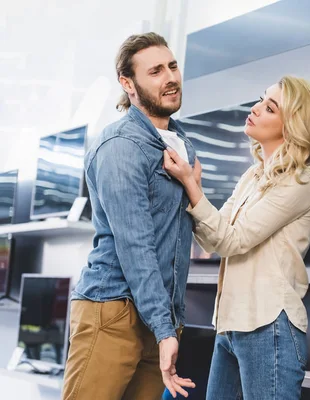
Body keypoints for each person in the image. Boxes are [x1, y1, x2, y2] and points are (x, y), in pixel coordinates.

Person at [163, 75, 310, 400]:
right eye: (261, 100)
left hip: (270, 327)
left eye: (270, 108)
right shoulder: (253, 175)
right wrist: (191, 190)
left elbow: (232, 240)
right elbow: (212, 240)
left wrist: (192, 186)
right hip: (231, 324)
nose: (255, 109)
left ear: (291, 124)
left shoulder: (301, 181)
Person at [62, 32, 196, 400]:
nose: (169, 77)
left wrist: (168, 326)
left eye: (172, 66)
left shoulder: (183, 147)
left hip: (159, 318)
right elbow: (136, 246)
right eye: (155, 71)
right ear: (128, 84)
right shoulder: (120, 147)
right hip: (113, 312)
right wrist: (165, 329)